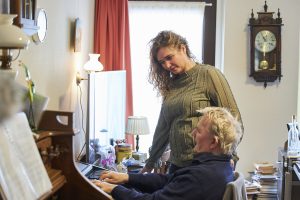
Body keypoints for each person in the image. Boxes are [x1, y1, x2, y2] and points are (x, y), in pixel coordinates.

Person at [140, 30, 243, 174]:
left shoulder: (209, 74)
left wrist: (232, 157)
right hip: (176, 165)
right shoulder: (171, 85)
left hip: (204, 165)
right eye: (162, 62)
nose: (167, 65)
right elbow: (163, 128)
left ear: (183, 48)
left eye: (169, 57)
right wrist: (150, 163)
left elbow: (234, 120)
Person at [92, 107, 242, 200]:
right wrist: (126, 177)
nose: (192, 132)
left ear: (213, 142)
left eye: (199, 130)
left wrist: (114, 189)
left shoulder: (200, 177)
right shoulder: (221, 166)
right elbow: (168, 180)